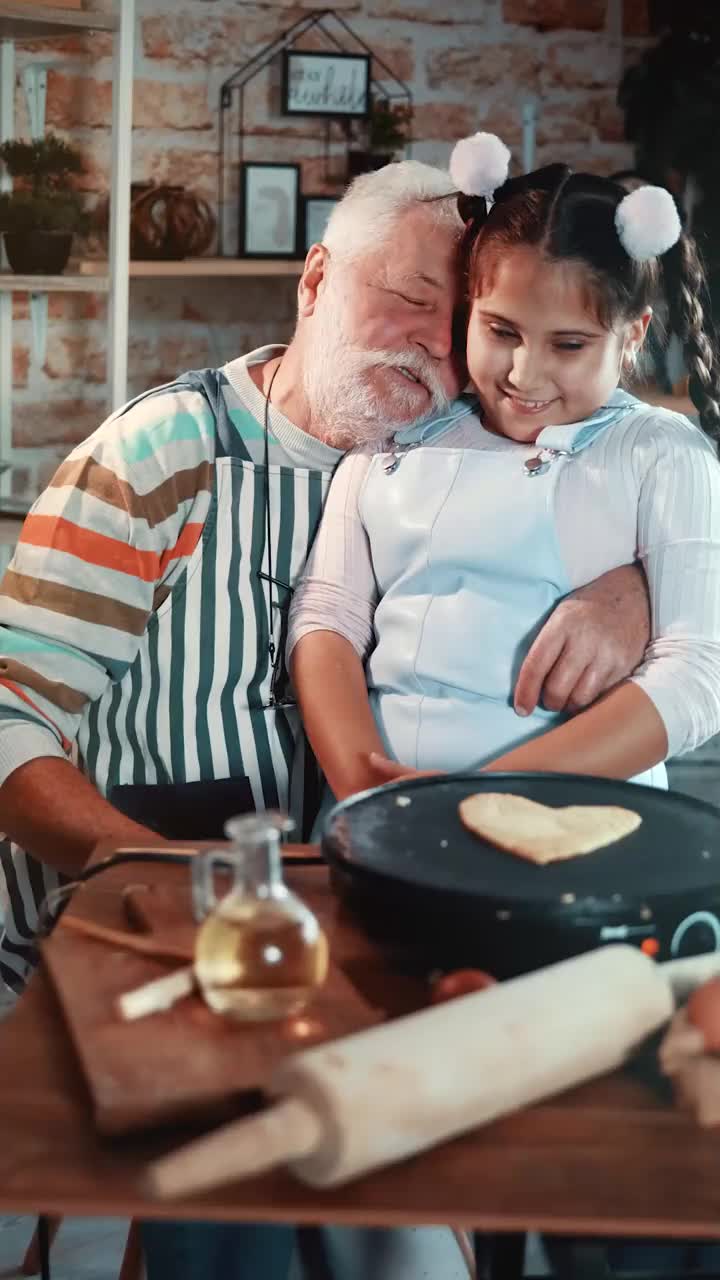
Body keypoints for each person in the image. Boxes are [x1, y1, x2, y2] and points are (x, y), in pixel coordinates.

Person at [0, 156, 650, 1280]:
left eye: (458, 323)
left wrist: (636, 585)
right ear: (313, 282)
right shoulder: (163, 455)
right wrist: (139, 865)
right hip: (109, 947)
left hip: (353, 964)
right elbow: (10, 711)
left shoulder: (474, 452)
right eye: (402, 299)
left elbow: (629, 421)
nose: (432, 348)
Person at [287, 134, 720, 1278]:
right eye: (501, 331)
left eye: (571, 344)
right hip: (393, 844)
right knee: (391, 1151)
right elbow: (326, 617)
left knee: (582, 1161)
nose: (526, 373)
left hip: (594, 856)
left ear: (631, 334)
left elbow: (696, 674)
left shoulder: (661, 458)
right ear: (468, 309)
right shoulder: (395, 450)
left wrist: (484, 796)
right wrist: (365, 781)